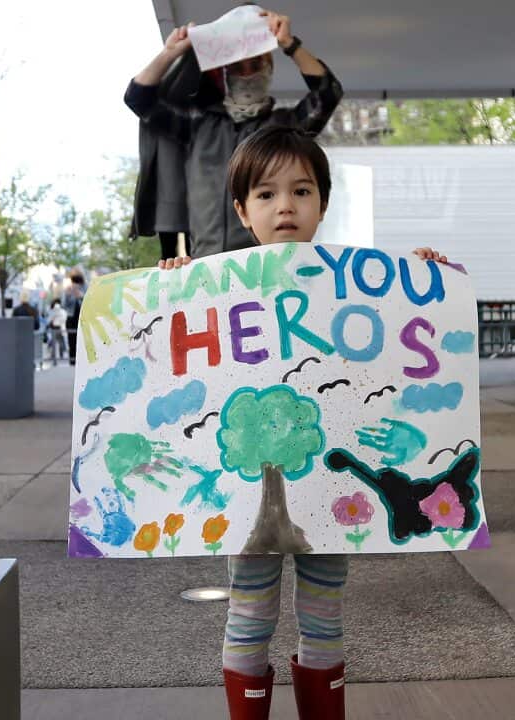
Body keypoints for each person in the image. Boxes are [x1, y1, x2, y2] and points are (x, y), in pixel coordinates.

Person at [157, 126, 447, 720]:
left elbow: (392, 342)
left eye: (301, 190)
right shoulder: (214, 285)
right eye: (265, 195)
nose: (284, 205)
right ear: (241, 208)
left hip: (330, 490)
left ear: (323, 202)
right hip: (250, 493)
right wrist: (176, 281)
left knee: (323, 617)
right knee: (249, 613)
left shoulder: (355, 281)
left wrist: (423, 282)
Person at [125, 8, 343, 258]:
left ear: (269, 68)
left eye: (255, 63)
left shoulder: (285, 126)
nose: (248, 72)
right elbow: (138, 98)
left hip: (269, 262)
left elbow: (328, 95)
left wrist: (290, 45)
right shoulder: (198, 125)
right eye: (238, 66)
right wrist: (171, 53)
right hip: (206, 264)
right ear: (225, 73)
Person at [61, 271, 86, 364]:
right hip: (71, 319)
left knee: (81, 343)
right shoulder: (68, 290)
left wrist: (80, 296)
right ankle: (72, 362)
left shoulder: (84, 289)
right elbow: (63, 305)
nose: (75, 285)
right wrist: (68, 295)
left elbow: (87, 303)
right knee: (71, 341)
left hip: (82, 318)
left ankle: (81, 363)